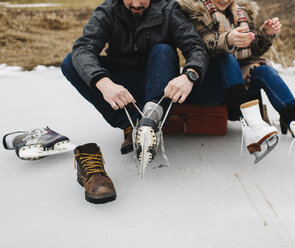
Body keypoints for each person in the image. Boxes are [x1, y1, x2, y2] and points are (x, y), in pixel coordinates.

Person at [61, 0, 211, 203]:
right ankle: (130, 124)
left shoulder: (169, 9)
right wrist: (103, 82)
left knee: (163, 49)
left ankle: (150, 121)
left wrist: (189, 75)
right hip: (121, 85)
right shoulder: (108, 10)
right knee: (71, 62)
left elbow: (196, 47)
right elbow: (83, 48)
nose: (136, 3)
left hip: (158, 81)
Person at [177, 0, 295, 165]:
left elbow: (252, 52)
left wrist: (265, 34)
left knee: (264, 70)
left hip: (235, 86)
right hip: (208, 86)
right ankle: (251, 125)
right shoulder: (196, 12)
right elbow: (203, 47)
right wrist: (228, 40)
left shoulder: (242, 12)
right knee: (226, 58)